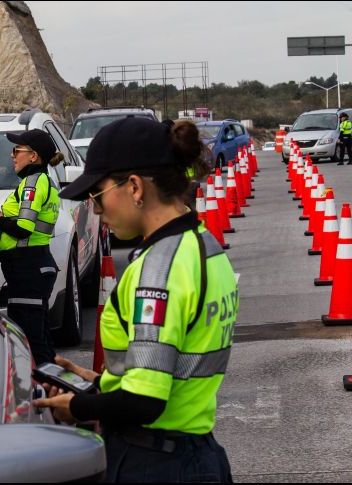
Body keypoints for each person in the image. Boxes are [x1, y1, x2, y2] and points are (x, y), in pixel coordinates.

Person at [34, 117, 238, 483]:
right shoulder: (204, 245)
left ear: (134, 187)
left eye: (97, 196)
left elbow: (145, 402)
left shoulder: (158, 271)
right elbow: (173, 366)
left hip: (155, 463)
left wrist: (77, 406)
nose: (96, 210)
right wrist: (102, 384)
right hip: (195, 454)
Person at [0, 129, 64, 365]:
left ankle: (44, 394)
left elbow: (24, 227)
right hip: (32, 267)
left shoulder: (33, 183)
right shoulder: (40, 181)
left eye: (17, 150)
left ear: (33, 156)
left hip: (28, 269)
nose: (12, 155)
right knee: (39, 338)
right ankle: (49, 391)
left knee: (31, 343)